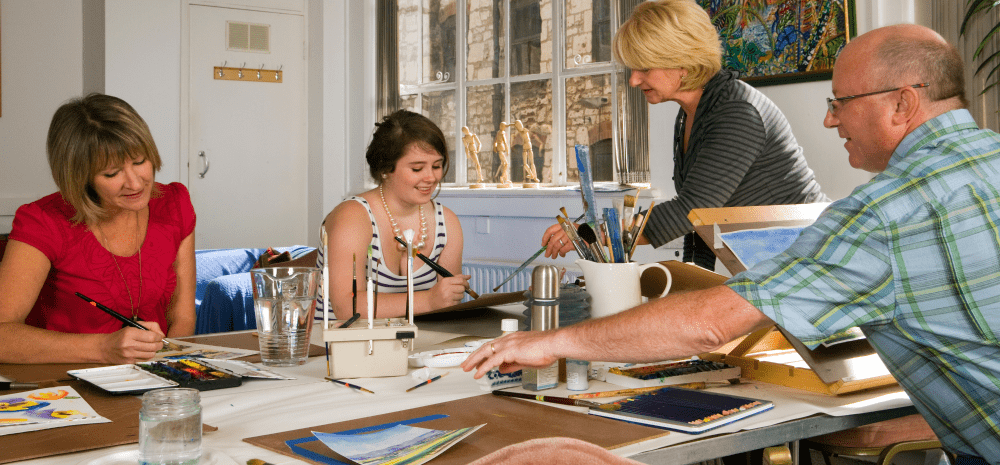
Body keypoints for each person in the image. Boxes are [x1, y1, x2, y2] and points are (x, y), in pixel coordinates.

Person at [465, 24, 1000, 462]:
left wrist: (551, 341)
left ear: (903, 104)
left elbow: (709, 314)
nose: (829, 117)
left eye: (841, 101)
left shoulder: (883, 210)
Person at [541, 0, 827, 268]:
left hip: (809, 260)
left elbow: (691, 210)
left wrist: (594, 233)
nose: (634, 80)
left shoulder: (737, 111)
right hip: (770, 261)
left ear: (684, 61)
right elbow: (699, 218)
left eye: (644, 68)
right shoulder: (693, 113)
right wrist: (694, 277)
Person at [0, 93, 197, 364]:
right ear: (80, 177)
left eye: (140, 162)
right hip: (64, 386)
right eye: (111, 173)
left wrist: (166, 366)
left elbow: (182, 317)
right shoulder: (43, 221)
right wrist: (103, 347)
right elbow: (2, 335)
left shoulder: (174, 204)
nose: (135, 183)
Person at [318, 110, 469, 321]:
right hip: (337, 347)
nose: (431, 177)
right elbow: (347, 307)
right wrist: (429, 300)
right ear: (385, 169)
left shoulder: (447, 222)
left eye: (436, 166)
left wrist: (449, 294)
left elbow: (446, 308)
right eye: (417, 169)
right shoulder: (352, 216)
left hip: (411, 344)